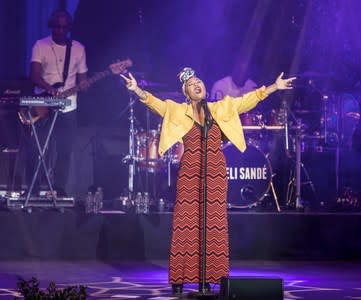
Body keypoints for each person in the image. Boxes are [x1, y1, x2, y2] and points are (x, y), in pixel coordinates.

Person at [121, 67, 295, 296]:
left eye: (199, 81)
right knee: (186, 223)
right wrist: (137, 90)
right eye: (192, 84)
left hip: (215, 169)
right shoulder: (177, 110)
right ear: (186, 92)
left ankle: (210, 279)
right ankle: (180, 279)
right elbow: (155, 103)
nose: (197, 85)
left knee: (213, 224)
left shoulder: (220, 108)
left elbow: (248, 100)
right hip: (190, 169)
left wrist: (274, 87)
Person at [28, 9, 88, 196]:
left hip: (68, 106)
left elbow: (82, 79)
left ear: (68, 27)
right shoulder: (40, 45)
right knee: (38, 148)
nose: (60, 30)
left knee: (65, 150)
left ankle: (59, 189)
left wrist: (85, 85)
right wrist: (49, 89)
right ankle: (34, 187)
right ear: (52, 26)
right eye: (57, 27)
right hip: (44, 104)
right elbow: (34, 76)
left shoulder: (78, 48)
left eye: (64, 27)